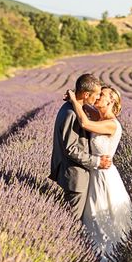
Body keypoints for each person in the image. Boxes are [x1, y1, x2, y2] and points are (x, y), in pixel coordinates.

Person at [65, 85, 132, 262]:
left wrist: (74, 100)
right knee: (91, 218)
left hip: (104, 176)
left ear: (111, 101)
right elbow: (86, 107)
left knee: (104, 218)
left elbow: (85, 123)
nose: (98, 97)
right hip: (94, 173)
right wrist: (80, 98)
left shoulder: (111, 123)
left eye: (101, 95)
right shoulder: (99, 116)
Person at [50, 74, 111, 219]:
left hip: (79, 175)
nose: (97, 98)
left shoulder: (73, 108)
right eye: (96, 95)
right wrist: (97, 161)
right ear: (86, 94)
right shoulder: (71, 113)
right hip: (75, 177)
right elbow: (71, 149)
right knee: (72, 222)